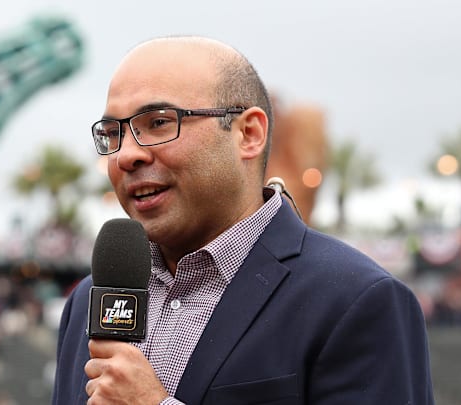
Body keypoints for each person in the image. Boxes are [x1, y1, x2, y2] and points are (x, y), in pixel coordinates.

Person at [52, 36, 434, 404]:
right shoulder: (86, 301)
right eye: (112, 133)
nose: (124, 155)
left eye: (158, 123)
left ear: (248, 134)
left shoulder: (356, 299)